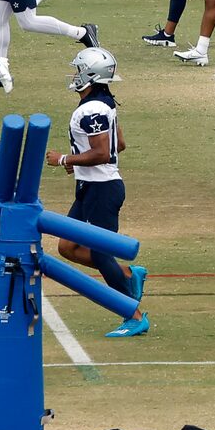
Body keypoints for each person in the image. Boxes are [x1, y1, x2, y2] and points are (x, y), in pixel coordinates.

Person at [47, 47, 149, 338]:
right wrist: (80, 160)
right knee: (67, 246)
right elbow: (119, 145)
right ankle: (129, 275)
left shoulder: (92, 109)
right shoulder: (103, 103)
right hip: (89, 186)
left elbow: (104, 152)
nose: (75, 74)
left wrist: (66, 159)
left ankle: (134, 315)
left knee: (103, 256)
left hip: (102, 190)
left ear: (90, 75)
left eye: (79, 69)